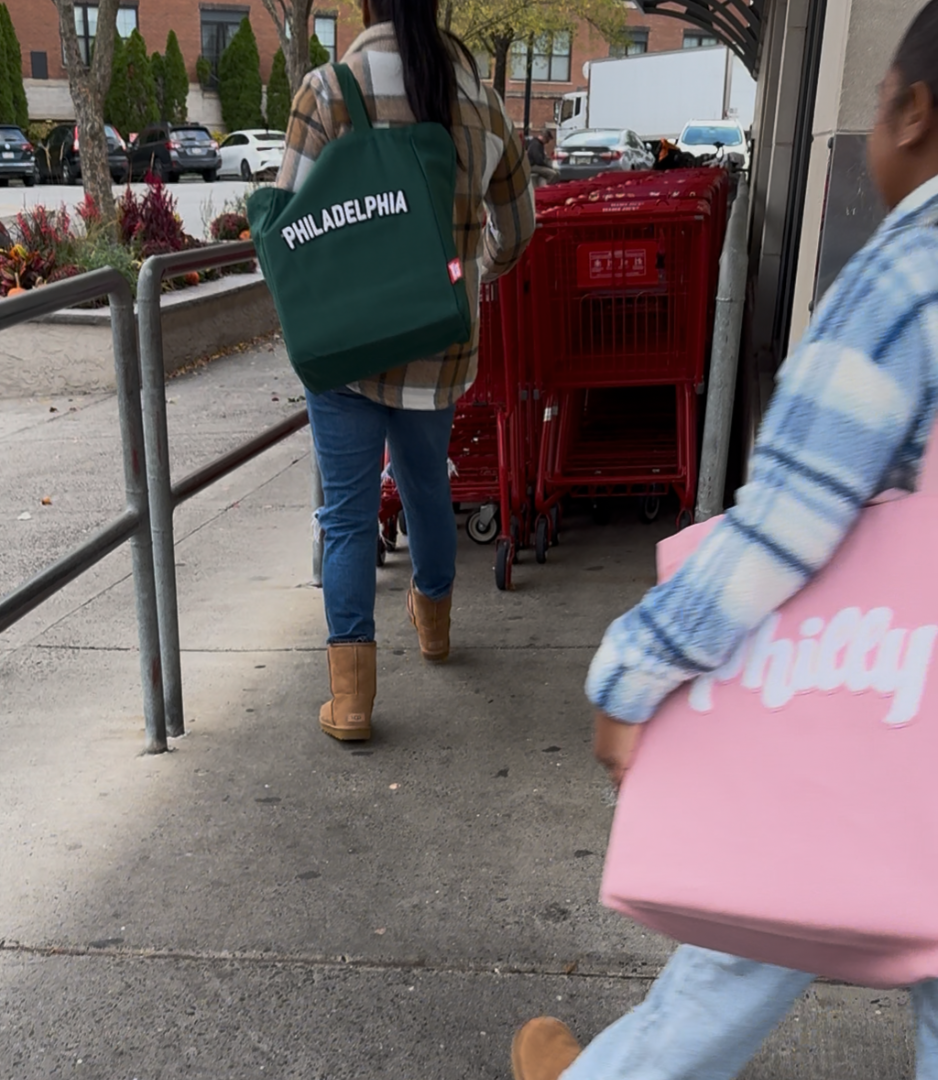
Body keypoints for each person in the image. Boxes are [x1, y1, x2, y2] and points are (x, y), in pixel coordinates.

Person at [511, 2, 938, 1078]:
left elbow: (789, 521)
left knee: (752, 928)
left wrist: (635, 669)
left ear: (912, 112)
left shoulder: (906, 282)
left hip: (884, 711)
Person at [277, 0, 535, 742]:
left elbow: (288, 226)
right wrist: (470, 274)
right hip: (438, 345)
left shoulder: (328, 92)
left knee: (348, 514)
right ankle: (435, 630)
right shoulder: (481, 101)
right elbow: (518, 227)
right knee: (426, 488)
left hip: (346, 349)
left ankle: (352, 700)